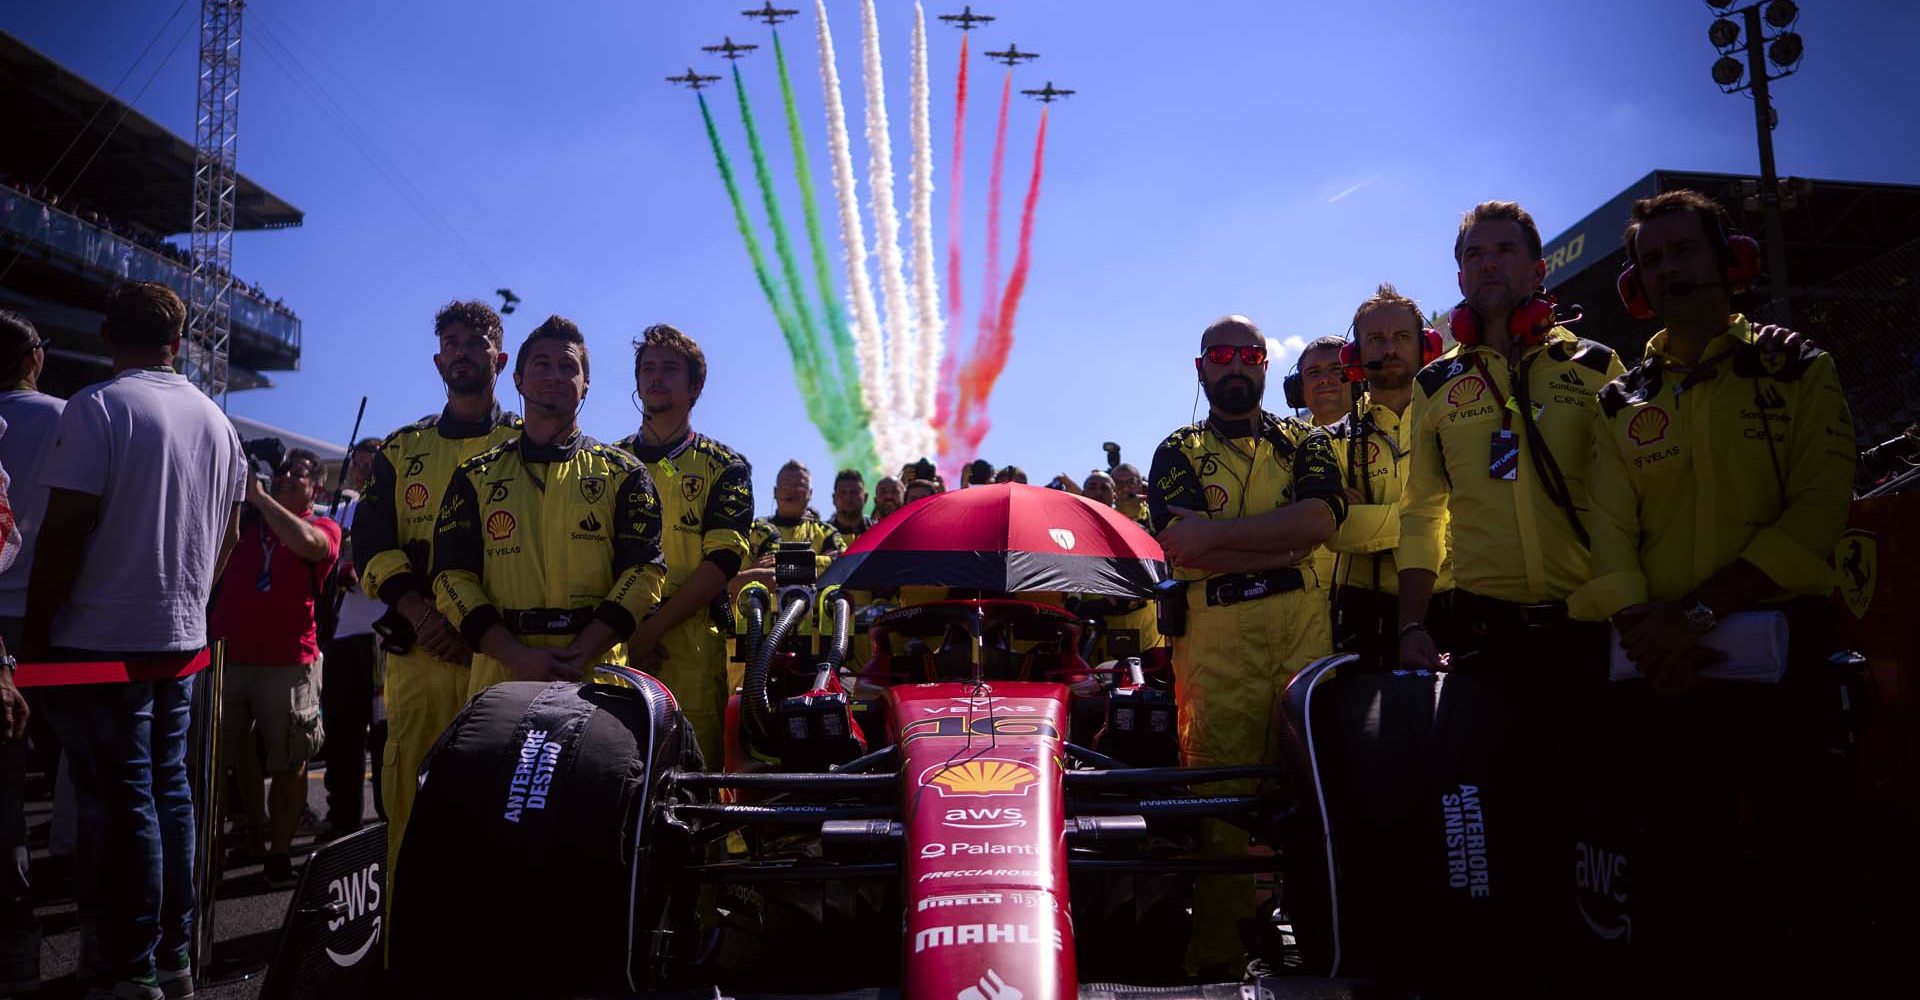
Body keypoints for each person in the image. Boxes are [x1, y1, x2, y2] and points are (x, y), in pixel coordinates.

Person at [1583, 190, 1855, 983]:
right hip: (1663, 678)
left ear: (1727, 259)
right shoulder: (1619, 398)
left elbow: (1819, 511)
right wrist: (1652, 635)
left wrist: (1695, 616)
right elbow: (1609, 533)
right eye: (1653, 258)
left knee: (1807, 877)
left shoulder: (1799, 363)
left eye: (1684, 250)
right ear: (1637, 284)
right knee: (1676, 888)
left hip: (1783, 664)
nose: (1671, 268)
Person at [1392, 201, 1626, 977]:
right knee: (1485, 821)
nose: (1488, 263)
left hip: (1591, 631)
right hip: (1485, 639)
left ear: (1538, 266)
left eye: (1504, 250)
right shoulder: (1435, 385)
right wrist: (1412, 625)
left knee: (1602, 822)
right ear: (1459, 274)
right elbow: (1422, 513)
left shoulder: (1597, 366)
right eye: (1474, 254)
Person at [23, 281, 248, 999]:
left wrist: (32, 634)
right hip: (177, 637)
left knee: (124, 801)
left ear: (104, 335)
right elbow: (233, 536)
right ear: (176, 343)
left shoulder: (100, 405)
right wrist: (189, 601)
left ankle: (132, 964)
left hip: (97, 638)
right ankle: (170, 957)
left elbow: (63, 532)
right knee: (166, 795)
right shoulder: (218, 421)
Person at [1147, 315, 1346, 977]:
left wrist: (1224, 537)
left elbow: (1322, 520)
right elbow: (1182, 547)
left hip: (1302, 637)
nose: (1234, 365)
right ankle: (1217, 960)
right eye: (1220, 355)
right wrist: (1284, 538)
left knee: (1317, 796)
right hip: (1215, 648)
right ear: (1200, 368)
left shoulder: (1306, 440)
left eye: (1248, 354)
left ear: (1266, 364)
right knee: (1220, 806)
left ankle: (1325, 946)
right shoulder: (1175, 449)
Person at [353, 300, 522, 915]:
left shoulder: (528, 446)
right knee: (409, 803)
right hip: (420, 655)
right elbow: (369, 546)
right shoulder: (403, 449)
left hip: (501, 659)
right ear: (436, 360)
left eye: (475, 342)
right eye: (450, 342)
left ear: (499, 358)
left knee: (501, 803)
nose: (461, 352)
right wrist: (425, 618)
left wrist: (477, 630)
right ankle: (407, 950)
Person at [431, 317, 666, 697]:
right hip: (501, 678)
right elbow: (450, 577)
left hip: (595, 677)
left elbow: (645, 572)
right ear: (518, 379)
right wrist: (516, 655)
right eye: (541, 364)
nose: (554, 376)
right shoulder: (473, 476)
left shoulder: (625, 474)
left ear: (585, 383)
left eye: (568, 366)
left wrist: (581, 652)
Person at [614, 324, 753, 768]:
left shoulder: (725, 466)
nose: (656, 377)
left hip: (690, 648)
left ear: (695, 386)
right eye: (648, 368)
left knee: (691, 793)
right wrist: (625, 633)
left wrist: (648, 633)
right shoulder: (605, 462)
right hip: (613, 641)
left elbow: (722, 564)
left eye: (669, 369)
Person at [208, 448, 341, 887]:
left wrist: (262, 498)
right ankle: (211, 853)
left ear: (316, 487)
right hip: (227, 657)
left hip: (288, 663)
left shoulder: (323, 526)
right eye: (281, 471)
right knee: (211, 764)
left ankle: (279, 856)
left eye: (297, 474)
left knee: (289, 762)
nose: (286, 478)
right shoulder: (243, 522)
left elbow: (310, 545)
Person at [1321, 284, 1454, 665]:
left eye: (1401, 337)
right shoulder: (1330, 438)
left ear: (1425, 345)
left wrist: (1370, 519)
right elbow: (1334, 531)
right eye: (1376, 339)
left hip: (1452, 601)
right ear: (1355, 354)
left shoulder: (1456, 419)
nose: (1389, 349)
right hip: (1362, 610)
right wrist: (1437, 517)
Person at [0, 311, 59, 993]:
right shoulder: (69, 416)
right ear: (35, 360)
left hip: (18, 628)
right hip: (56, 626)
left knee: (6, 793)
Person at [319, 438, 388, 839]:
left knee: (384, 734)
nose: (363, 473)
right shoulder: (340, 513)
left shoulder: (395, 511)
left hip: (382, 637)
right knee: (343, 732)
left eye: (371, 465)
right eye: (359, 465)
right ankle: (341, 817)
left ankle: (386, 815)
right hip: (344, 634)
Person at [745, 461, 845, 577]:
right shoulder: (754, 530)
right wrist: (819, 562)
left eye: (800, 486)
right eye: (786, 485)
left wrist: (778, 564)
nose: (792, 490)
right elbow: (734, 578)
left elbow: (844, 565)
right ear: (775, 492)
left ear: (810, 493)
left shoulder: (826, 533)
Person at [826, 469, 872, 547]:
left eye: (854, 492)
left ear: (866, 497)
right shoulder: (821, 536)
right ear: (834, 498)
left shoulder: (879, 532)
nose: (848, 497)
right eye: (843, 493)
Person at [1109, 462, 1151, 529]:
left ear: (1140, 485)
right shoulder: (1106, 517)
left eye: (1131, 482)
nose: (1125, 488)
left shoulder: (1155, 514)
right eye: (1119, 483)